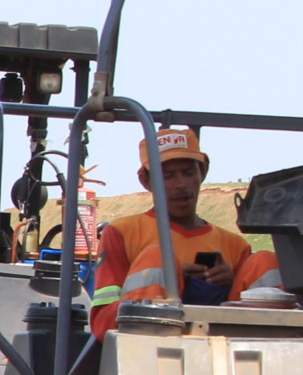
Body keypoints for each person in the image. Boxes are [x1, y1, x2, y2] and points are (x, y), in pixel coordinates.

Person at [90, 126, 250, 334]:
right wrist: (169, 282)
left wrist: (229, 286)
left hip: (224, 352)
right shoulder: (121, 233)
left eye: (188, 172)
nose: (181, 184)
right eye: (167, 176)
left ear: (203, 172)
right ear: (146, 181)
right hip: (146, 354)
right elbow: (102, 323)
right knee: (156, 258)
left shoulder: (235, 247)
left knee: (265, 262)